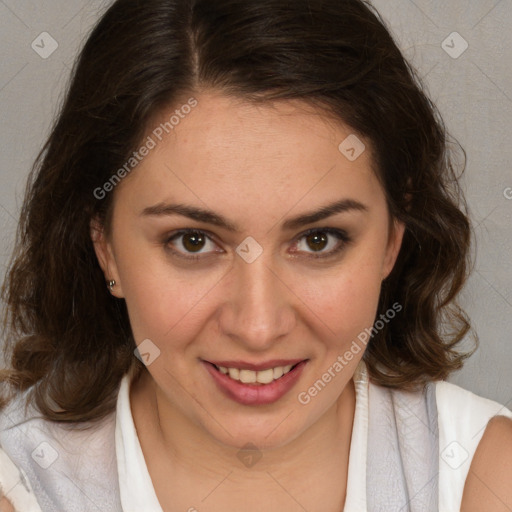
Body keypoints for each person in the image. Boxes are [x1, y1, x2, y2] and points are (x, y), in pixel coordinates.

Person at [0, 0, 511, 510]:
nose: (258, 327)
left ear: (392, 239)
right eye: (193, 241)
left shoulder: (486, 478)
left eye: (318, 240)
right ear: (106, 249)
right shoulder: (17, 487)